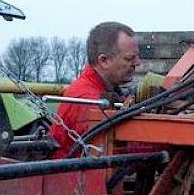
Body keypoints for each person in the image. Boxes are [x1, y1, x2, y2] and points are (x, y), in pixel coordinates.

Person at [49, 22, 141, 159]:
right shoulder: (88, 102)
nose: (138, 63)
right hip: (73, 178)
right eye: (129, 58)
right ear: (103, 61)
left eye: (137, 56)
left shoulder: (106, 91)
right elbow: (111, 153)